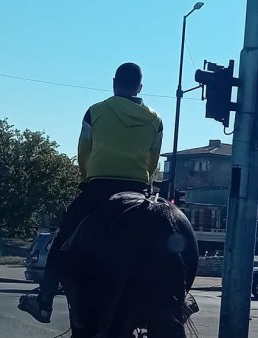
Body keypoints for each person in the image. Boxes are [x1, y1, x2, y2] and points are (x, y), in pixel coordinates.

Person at [18, 62, 163, 323]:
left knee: (62, 238)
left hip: (99, 188)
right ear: (140, 87)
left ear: (114, 83)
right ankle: (180, 300)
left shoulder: (95, 112)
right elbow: (153, 162)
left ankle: (45, 301)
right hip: (139, 189)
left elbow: (84, 150)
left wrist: (86, 175)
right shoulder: (155, 119)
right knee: (166, 240)